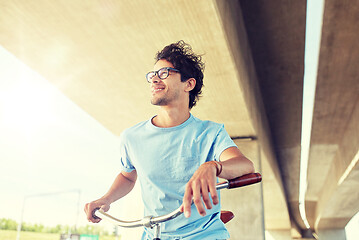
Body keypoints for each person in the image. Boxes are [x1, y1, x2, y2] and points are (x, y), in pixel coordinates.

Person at [84, 40, 255, 239]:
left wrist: (214, 166)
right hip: (154, 233)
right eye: (153, 75)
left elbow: (245, 165)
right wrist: (105, 199)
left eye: (164, 73)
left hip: (204, 234)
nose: (155, 79)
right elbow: (128, 176)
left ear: (189, 84)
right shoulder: (131, 137)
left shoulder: (211, 133)